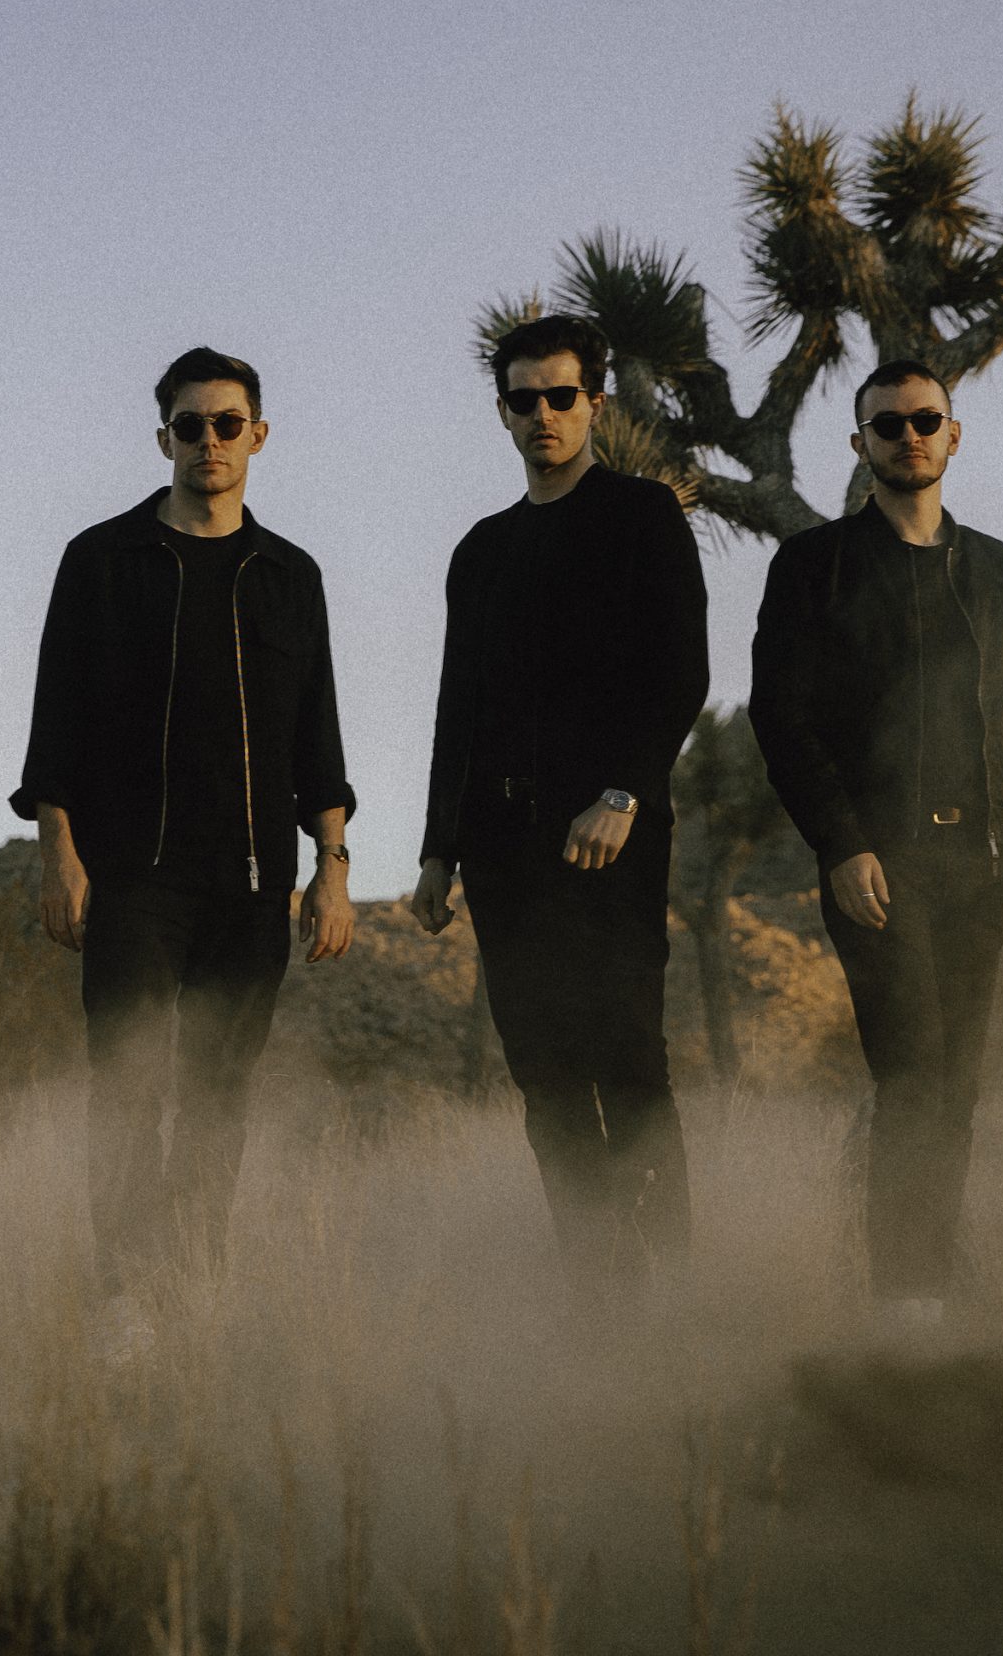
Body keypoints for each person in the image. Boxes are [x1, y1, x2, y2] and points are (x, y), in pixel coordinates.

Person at [13, 347, 355, 1349]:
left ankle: (193, 1286)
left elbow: (318, 734)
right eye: (190, 424)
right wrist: (57, 850)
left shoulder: (290, 575)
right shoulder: (101, 560)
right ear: (162, 436)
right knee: (128, 1087)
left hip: (252, 884)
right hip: (131, 877)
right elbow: (55, 718)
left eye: (227, 423)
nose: (210, 441)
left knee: (217, 1093)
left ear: (258, 435)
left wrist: (332, 868)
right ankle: (124, 1298)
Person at [748, 358, 1003, 1327]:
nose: (909, 437)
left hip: (980, 864)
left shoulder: (1002, 573)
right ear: (859, 444)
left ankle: (927, 1291)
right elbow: (781, 717)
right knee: (912, 1075)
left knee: (956, 1089)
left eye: (925, 420)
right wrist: (842, 844)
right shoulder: (815, 565)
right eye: (886, 425)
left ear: (954, 434)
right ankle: (906, 1307)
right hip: (877, 868)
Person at [410, 313, 708, 1290]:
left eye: (562, 396)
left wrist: (624, 789)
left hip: (612, 837)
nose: (544, 414)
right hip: (503, 844)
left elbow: (682, 672)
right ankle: (597, 1284)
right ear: (503, 412)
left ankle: (671, 1287)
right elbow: (457, 703)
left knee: (627, 1059)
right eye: (524, 399)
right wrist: (438, 849)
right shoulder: (481, 549)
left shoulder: (641, 516)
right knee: (544, 1074)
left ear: (595, 403)